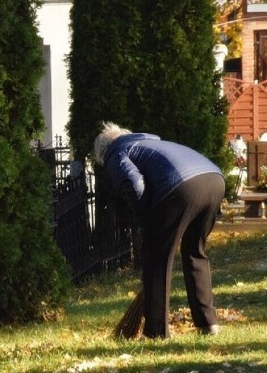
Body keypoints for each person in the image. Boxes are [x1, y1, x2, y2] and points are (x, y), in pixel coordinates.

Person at [93, 122, 225, 339]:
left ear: (103, 152)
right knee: (195, 252)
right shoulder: (150, 143)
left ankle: (156, 332)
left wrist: (145, 221)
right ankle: (208, 324)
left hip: (182, 186)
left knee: (157, 258)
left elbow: (134, 184)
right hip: (214, 179)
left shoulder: (116, 152)